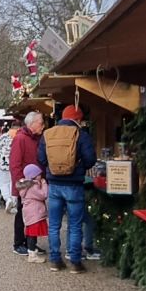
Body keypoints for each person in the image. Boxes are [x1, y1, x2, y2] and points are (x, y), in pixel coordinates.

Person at [41, 104, 97, 272]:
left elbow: (41, 158)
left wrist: (53, 170)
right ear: (78, 119)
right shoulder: (81, 135)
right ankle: (75, 261)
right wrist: (78, 168)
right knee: (74, 224)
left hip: (54, 185)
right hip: (74, 185)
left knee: (54, 225)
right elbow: (90, 160)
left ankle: (55, 260)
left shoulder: (48, 134)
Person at [9, 111, 45, 257]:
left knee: (33, 215)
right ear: (32, 123)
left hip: (33, 185)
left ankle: (31, 244)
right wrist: (21, 187)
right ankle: (18, 243)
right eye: (41, 122)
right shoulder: (20, 139)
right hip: (25, 186)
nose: (43, 125)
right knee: (21, 214)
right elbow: (15, 165)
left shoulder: (36, 138)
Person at [17, 163, 49, 252]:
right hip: (35, 212)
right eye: (39, 174)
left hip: (29, 212)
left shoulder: (26, 185)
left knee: (31, 232)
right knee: (32, 233)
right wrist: (44, 183)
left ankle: (32, 249)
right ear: (33, 176)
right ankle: (32, 252)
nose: (41, 176)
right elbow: (43, 195)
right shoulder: (33, 186)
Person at [0, 123, 15, 209]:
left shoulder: (3, 137)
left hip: (3, 164)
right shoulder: (20, 136)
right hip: (15, 165)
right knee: (12, 184)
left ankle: (7, 199)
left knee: (2, 183)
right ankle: (13, 202)